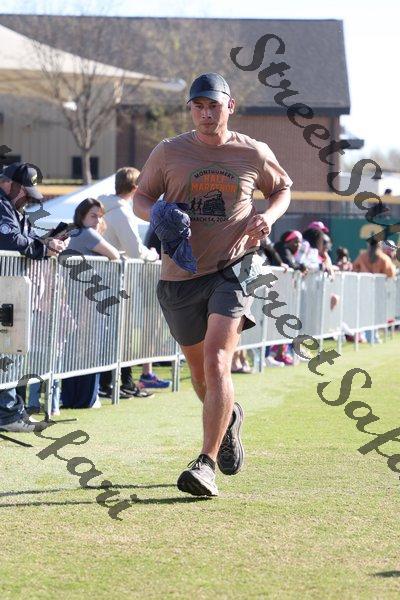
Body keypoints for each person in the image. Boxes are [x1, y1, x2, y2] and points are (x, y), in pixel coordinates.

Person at [133, 72, 292, 497]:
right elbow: (140, 198)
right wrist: (156, 213)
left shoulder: (253, 151)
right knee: (201, 375)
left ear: (230, 106)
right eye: (198, 106)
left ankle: (205, 463)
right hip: (179, 274)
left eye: (214, 106)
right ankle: (230, 417)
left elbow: (282, 189)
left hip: (233, 267)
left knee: (217, 357)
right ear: (191, 109)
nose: (206, 114)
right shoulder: (168, 152)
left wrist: (268, 216)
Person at [0, 162, 65, 433]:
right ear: (8, 184)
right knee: (7, 350)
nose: (28, 198)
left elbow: (24, 239)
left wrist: (47, 243)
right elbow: (9, 240)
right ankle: (8, 413)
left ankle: (10, 411)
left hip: (8, 291)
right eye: (24, 192)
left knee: (10, 350)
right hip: (5, 291)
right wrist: (42, 247)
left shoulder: (13, 208)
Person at [99, 167, 170, 395]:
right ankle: (116, 383)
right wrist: (153, 255)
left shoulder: (106, 208)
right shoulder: (121, 211)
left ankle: (117, 382)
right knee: (118, 332)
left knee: (113, 332)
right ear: (136, 188)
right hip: (115, 280)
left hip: (109, 277)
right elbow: (135, 250)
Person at [60, 198, 120, 409]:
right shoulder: (86, 233)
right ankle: (87, 398)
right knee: (89, 348)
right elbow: (114, 255)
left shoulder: (73, 232)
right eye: (93, 216)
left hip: (76, 298)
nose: (97, 221)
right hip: (86, 299)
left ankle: (73, 397)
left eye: (100, 217)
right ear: (82, 216)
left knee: (74, 349)